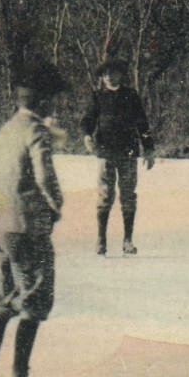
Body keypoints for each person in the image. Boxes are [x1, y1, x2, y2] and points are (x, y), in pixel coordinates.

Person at [0, 62, 68, 377]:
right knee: (34, 301)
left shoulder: (7, 128)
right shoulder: (36, 131)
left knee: (3, 302)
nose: (57, 106)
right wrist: (54, 207)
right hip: (27, 228)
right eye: (55, 100)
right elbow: (45, 175)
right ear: (43, 102)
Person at [80, 58, 155, 256]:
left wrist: (149, 149)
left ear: (121, 75)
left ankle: (128, 239)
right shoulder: (98, 97)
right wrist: (87, 136)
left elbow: (143, 124)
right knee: (105, 196)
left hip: (128, 153)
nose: (109, 77)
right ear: (102, 78)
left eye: (113, 73)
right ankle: (101, 239)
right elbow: (88, 119)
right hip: (105, 152)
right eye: (106, 74)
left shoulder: (131, 96)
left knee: (128, 196)